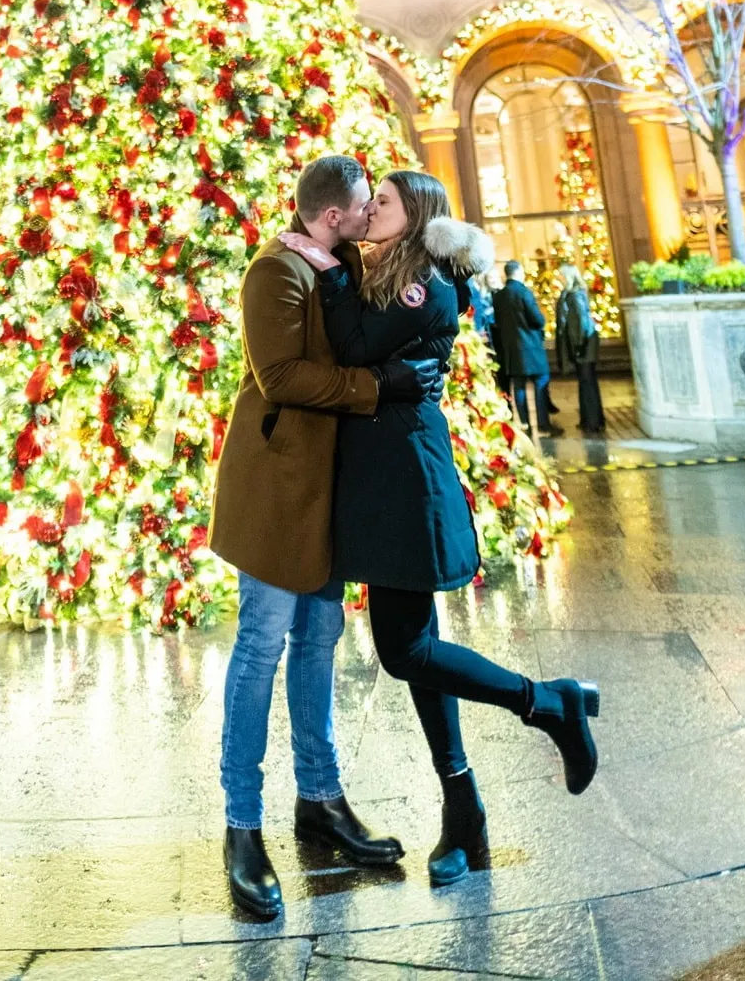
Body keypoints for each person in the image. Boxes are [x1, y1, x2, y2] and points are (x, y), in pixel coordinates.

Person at [281, 171, 601, 887]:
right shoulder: (391, 272)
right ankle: (465, 815)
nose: (370, 208)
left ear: (417, 214)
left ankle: (548, 702)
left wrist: (328, 270)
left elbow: (352, 345)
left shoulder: (421, 281)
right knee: (417, 648)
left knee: (406, 651)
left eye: (384, 201)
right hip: (382, 476)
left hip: (405, 479)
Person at [209, 154, 446, 920]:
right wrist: (378, 387)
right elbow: (280, 376)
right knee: (262, 644)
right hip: (278, 491)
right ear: (334, 214)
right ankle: (242, 825)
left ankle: (320, 799)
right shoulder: (274, 271)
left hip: (329, 495)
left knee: (318, 641)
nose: (370, 215)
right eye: (363, 205)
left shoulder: (344, 265)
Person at [492, 261, 552, 434]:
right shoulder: (524, 292)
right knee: (541, 381)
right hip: (531, 346)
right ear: (518, 272)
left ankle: (524, 423)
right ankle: (542, 424)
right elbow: (537, 319)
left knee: (518, 385)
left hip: (511, 347)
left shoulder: (499, 296)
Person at [554, 265, 606, 435]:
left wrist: (578, 346)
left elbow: (580, 322)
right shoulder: (574, 294)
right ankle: (591, 420)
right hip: (583, 345)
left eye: (561, 275)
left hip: (583, 346)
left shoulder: (574, 295)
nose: (559, 278)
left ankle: (592, 421)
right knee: (587, 382)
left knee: (587, 382)